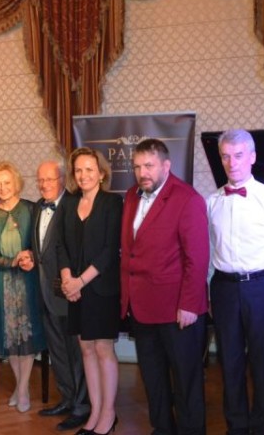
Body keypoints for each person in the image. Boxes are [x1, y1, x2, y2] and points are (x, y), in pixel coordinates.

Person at [121, 138, 209, 435]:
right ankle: (162, 429)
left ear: (166, 165)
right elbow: (130, 251)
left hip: (177, 310)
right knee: (153, 378)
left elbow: (197, 258)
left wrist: (189, 305)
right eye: (137, 167)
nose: (142, 173)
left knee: (186, 380)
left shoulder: (187, 198)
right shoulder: (131, 196)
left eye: (149, 165)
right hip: (142, 307)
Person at [206, 129, 264, 435]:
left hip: (261, 287)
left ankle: (262, 427)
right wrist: (208, 292)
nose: (232, 163)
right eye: (225, 156)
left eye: (238, 156)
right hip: (224, 288)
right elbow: (209, 251)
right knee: (229, 361)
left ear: (252, 157)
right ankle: (236, 426)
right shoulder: (212, 201)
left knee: (263, 361)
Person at [56, 147, 122, 435]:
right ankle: (95, 411)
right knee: (85, 348)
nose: (83, 175)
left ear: (101, 173)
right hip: (75, 289)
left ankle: (108, 414)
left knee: (103, 348)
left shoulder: (112, 202)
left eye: (89, 170)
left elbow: (110, 250)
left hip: (101, 288)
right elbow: (60, 245)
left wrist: (80, 281)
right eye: (79, 170)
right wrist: (67, 279)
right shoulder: (69, 203)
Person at [0, 161, 46, 413]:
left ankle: (23, 389)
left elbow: (42, 243)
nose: (3, 187)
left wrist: (30, 257)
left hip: (28, 283)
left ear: (16, 183)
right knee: (10, 339)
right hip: (1, 284)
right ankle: (21, 386)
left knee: (25, 338)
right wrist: (12, 261)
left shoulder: (31, 208)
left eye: (7, 182)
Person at [32, 159, 90, 431]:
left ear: (62, 180)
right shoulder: (37, 207)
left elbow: (78, 250)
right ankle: (67, 398)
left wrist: (73, 283)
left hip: (68, 292)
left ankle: (82, 406)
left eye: (50, 179)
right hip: (45, 293)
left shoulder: (74, 205)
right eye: (40, 180)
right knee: (57, 351)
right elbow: (42, 251)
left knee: (76, 353)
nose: (44, 184)